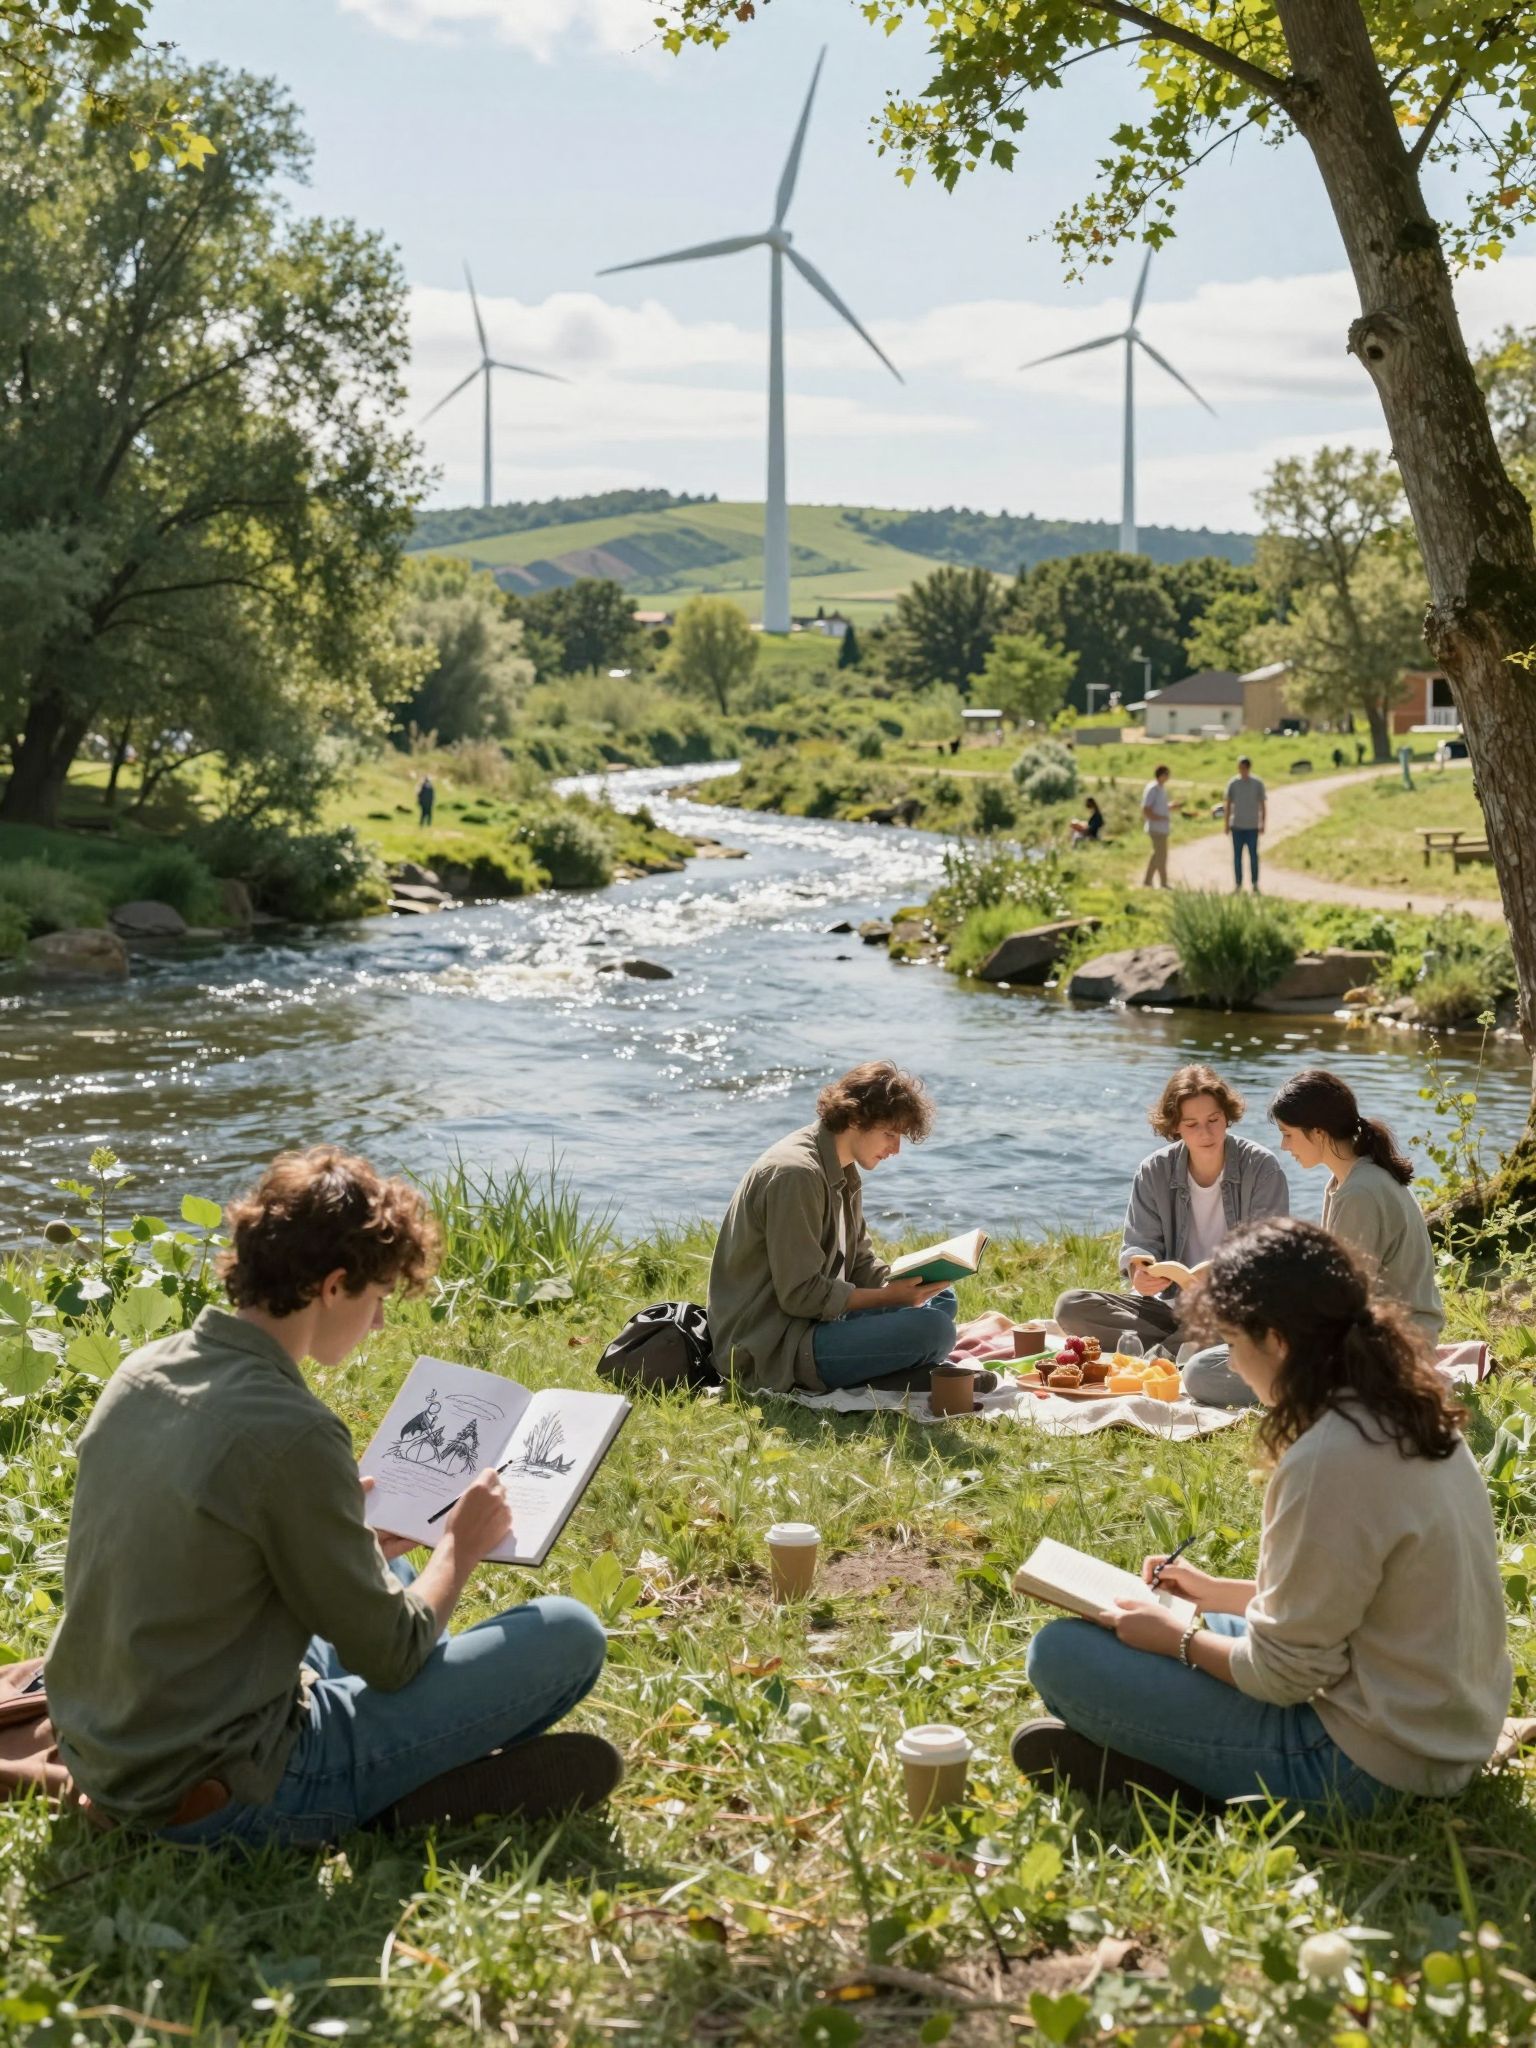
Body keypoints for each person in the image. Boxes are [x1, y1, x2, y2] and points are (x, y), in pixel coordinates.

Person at [44, 1148, 619, 1845]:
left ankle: (412, 1763)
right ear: (334, 1285)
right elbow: (394, 1655)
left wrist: (347, 1540)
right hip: (230, 1789)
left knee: (391, 1568)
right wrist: (461, 1549)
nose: (378, 1324)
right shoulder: (294, 1433)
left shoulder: (141, 1373)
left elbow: (205, 1561)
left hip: (111, 1750)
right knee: (568, 1633)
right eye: (377, 1300)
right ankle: (396, 1789)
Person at [1013, 1219, 1511, 1812]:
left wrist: (1179, 1639)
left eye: (1230, 1342)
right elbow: (1352, 1603)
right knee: (1130, 1628)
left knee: (1060, 1655)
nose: (1232, 1363)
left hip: (1368, 1766)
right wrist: (1211, 1593)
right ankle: (1163, 1763)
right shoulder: (1403, 1411)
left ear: (1275, 1340)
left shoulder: (1330, 1456)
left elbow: (1284, 1677)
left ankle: (1187, 1788)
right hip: (1441, 1729)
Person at [708, 1062, 958, 1394]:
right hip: (774, 1345)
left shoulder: (842, 1167)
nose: (896, 1149)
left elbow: (857, 1264)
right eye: (890, 1134)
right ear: (856, 1119)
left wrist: (913, 1278)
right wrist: (889, 1297)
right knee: (934, 1331)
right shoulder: (795, 1175)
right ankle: (899, 1376)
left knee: (941, 1298)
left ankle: (894, 1372)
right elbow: (800, 1296)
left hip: (814, 1324)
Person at [1054, 1064, 1289, 1354]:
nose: (1206, 1132)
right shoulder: (1154, 1170)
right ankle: (1186, 1347)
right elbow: (1140, 1245)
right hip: (1169, 1309)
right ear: (1175, 1126)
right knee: (1071, 1306)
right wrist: (1140, 1271)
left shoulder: (1261, 1167)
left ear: (1227, 1115)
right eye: (1191, 1124)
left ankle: (1159, 1356)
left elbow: (1268, 1256)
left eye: (1214, 1119)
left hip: (1233, 1308)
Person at [1224, 756, 1266, 891]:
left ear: (1248, 768)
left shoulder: (1257, 783)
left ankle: (1254, 883)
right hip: (1237, 826)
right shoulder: (1233, 783)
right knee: (1237, 857)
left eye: (1243, 768)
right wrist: (1226, 824)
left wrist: (1262, 823)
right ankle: (1238, 883)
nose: (1241, 770)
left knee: (1253, 856)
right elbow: (1228, 804)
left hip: (1252, 826)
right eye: (1239, 768)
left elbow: (1262, 805)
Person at [1140, 764, 1172, 887]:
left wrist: (1170, 807)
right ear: (1161, 775)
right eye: (1166, 775)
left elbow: (1160, 806)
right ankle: (1164, 883)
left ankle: (1147, 881)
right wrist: (1157, 818)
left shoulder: (1161, 789)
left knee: (1157, 855)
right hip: (1156, 828)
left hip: (1162, 827)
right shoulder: (1153, 789)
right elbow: (1146, 808)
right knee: (1161, 856)